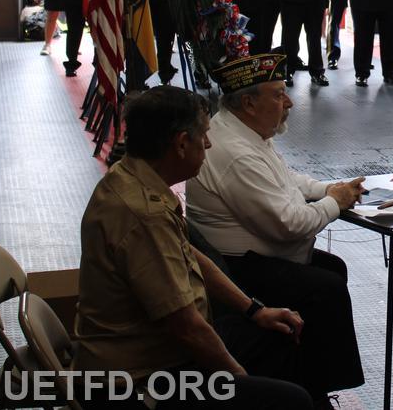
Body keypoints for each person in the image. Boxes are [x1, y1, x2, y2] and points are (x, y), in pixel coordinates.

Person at [74, 86, 312, 410]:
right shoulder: (143, 215)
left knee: (279, 336)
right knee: (291, 401)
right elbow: (187, 328)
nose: (210, 143)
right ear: (182, 143)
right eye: (205, 135)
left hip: (157, 356)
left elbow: (191, 258)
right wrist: (238, 381)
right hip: (139, 381)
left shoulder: (132, 176)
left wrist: (255, 310)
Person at [184, 55, 366, 407]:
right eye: (278, 94)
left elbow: (281, 178)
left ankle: (312, 379)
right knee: (325, 288)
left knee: (332, 269)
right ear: (249, 103)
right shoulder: (236, 152)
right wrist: (336, 203)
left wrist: (325, 190)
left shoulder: (239, 128)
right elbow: (289, 226)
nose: (289, 102)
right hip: (239, 266)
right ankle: (313, 391)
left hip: (251, 254)